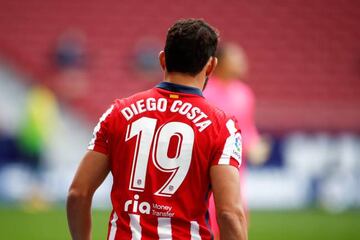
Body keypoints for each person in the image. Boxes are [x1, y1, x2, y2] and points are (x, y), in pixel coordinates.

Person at [67, 19, 248, 240]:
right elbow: (229, 213)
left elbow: (78, 193)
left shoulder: (118, 113)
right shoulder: (222, 126)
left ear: (162, 59)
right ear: (211, 66)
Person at [204, 43, 270, 237]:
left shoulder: (244, 93)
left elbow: (247, 127)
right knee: (210, 219)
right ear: (220, 62)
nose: (243, 63)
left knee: (235, 220)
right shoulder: (205, 91)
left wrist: (254, 145)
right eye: (237, 58)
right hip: (207, 169)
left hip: (235, 169)